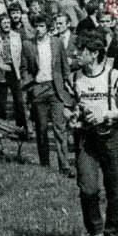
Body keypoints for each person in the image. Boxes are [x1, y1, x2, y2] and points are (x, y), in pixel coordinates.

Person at [70, 30, 118, 236]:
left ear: (95, 53)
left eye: (81, 50)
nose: (76, 53)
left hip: (112, 138)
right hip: (86, 139)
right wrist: (73, 116)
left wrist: (106, 114)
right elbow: (72, 107)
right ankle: (96, 231)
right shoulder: (75, 78)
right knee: (87, 188)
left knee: (115, 190)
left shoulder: (113, 76)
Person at [22, 15, 75, 177]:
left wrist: (68, 85)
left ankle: (64, 165)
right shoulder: (28, 45)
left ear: (48, 27)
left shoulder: (56, 43)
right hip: (38, 89)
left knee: (60, 128)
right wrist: (30, 84)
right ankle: (44, 162)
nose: (39, 29)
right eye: (36, 26)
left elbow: (65, 66)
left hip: (55, 89)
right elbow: (24, 68)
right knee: (42, 128)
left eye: (42, 26)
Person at [0, 14, 29, 137]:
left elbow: (22, 55)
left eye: (8, 22)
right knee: (1, 102)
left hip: (14, 70)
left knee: (18, 100)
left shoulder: (16, 36)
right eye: (4, 23)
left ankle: (21, 128)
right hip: (0, 71)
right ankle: (1, 128)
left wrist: (23, 71)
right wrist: (0, 65)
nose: (6, 25)